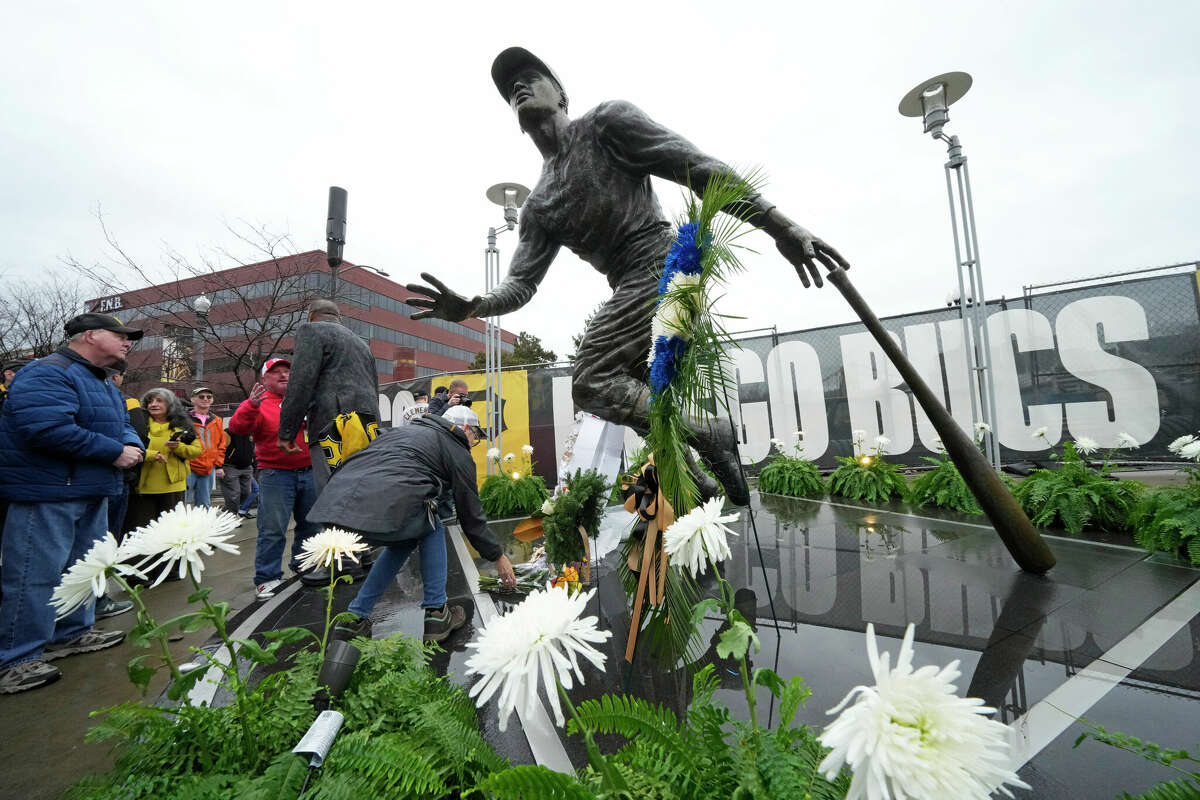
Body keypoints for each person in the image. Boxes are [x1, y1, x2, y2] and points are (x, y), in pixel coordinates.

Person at [406, 47, 850, 507]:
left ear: (560, 95)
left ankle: (710, 433)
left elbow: (697, 168)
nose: (517, 86)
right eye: (509, 88)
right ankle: (700, 482)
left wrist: (781, 226)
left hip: (663, 266)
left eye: (530, 76)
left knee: (592, 378)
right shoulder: (539, 205)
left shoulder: (605, 125)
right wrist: (475, 306)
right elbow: (521, 284)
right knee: (633, 394)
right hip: (630, 288)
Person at [0, 313, 145, 694]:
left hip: (90, 488)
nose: (128, 342)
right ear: (91, 335)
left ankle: (71, 634)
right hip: (48, 492)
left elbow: (124, 425)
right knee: (34, 576)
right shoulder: (48, 372)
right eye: (121, 336)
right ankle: (16, 659)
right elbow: (47, 429)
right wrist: (116, 452)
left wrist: (132, 446)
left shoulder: (101, 381)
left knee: (83, 570)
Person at [309, 405, 516, 644]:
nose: (473, 442)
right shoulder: (456, 449)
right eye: (476, 436)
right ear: (465, 428)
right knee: (432, 525)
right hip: (377, 503)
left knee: (404, 539)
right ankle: (437, 614)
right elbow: (471, 515)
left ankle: (354, 618)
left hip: (338, 505)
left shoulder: (404, 433)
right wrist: (498, 556)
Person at [227, 357, 320, 600]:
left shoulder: (304, 401)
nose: (283, 375)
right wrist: (250, 405)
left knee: (311, 525)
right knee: (273, 529)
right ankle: (267, 578)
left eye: (287, 371)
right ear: (264, 379)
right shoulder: (259, 404)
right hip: (275, 475)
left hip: (310, 472)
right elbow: (238, 428)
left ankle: (304, 565)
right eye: (275, 372)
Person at [277, 299, 379, 495]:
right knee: (361, 492)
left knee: (332, 495)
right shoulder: (362, 344)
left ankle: (335, 527)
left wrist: (287, 433)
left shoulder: (311, 330)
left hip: (333, 424)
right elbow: (374, 388)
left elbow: (300, 383)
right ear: (339, 318)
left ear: (311, 316)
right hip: (367, 427)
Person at [125, 388, 202, 529]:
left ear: (170, 404)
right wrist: (150, 455)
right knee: (144, 530)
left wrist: (178, 447)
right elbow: (130, 448)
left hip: (173, 487)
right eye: (150, 402)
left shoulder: (183, 426)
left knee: (171, 531)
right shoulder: (139, 425)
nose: (153, 404)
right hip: (144, 487)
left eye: (159, 401)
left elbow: (196, 451)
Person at [184, 387, 227, 507]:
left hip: (208, 468)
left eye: (209, 397)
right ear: (192, 399)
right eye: (201, 396)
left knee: (204, 504)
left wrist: (218, 465)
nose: (205, 399)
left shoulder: (217, 420)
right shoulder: (184, 419)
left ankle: (203, 526)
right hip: (188, 467)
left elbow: (221, 444)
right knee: (182, 504)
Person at [220, 431, 256, 517]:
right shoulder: (228, 432)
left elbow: (253, 449)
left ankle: (226, 510)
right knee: (234, 494)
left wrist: (253, 465)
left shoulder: (250, 432)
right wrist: (218, 466)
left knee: (246, 493)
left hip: (246, 467)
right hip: (230, 466)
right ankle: (231, 517)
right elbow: (220, 449)